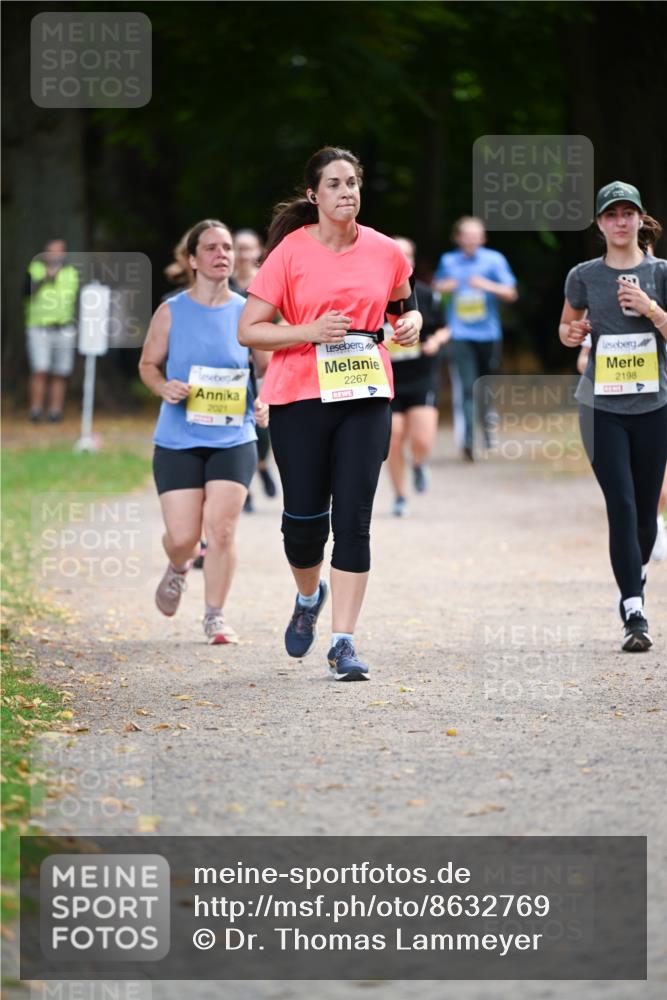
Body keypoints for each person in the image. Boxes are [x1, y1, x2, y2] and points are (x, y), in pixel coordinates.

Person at [238, 146, 421, 681]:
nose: (346, 193)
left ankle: (344, 642)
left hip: (366, 394)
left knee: (354, 521)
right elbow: (249, 329)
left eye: (353, 183)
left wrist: (409, 324)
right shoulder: (290, 253)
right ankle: (307, 596)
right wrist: (308, 331)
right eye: (335, 184)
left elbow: (403, 307)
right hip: (300, 396)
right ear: (314, 195)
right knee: (303, 524)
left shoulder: (387, 251)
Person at [139, 219, 269, 644]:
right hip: (178, 438)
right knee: (183, 538)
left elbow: (267, 371)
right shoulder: (171, 311)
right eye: (211, 248)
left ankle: (215, 615)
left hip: (234, 437)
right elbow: (148, 365)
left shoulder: (249, 311)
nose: (222, 255)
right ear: (192, 260)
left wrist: (266, 400)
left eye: (227, 247)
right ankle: (179, 565)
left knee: (222, 531)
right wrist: (163, 387)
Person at [559, 181, 667, 652]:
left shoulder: (661, 273)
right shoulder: (583, 275)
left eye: (628, 213)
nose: (620, 222)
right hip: (600, 406)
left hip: (654, 405)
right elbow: (566, 327)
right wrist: (571, 333)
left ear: (640, 219)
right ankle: (634, 609)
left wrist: (651, 309)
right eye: (611, 214)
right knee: (620, 505)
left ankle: (632, 574)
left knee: (645, 512)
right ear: (600, 223)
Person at [433, 217, 517, 460]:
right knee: (467, 387)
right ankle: (469, 442)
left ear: (482, 238)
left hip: (489, 334)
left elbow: (511, 293)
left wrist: (486, 285)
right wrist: (445, 287)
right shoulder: (448, 261)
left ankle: (487, 433)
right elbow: (436, 287)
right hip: (460, 333)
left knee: (485, 387)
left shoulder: (494, 260)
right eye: (467, 235)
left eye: (476, 235)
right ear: (458, 238)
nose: (471, 239)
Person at [386, 236, 450, 516]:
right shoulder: (372, 294)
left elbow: (445, 327)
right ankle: (400, 496)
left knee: (422, 440)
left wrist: (436, 341)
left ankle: (419, 463)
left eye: (407, 255)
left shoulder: (426, 294)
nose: (402, 260)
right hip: (387, 380)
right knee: (393, 438)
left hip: (422, 375)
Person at [231, 228, 278, 511]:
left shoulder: (267, 282)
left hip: (264, 364)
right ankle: (244, 490)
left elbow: (285, 321)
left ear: (258, 251)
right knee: (235, 426)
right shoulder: (223, 284)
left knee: (262, 426)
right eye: (238, 248)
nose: (243, 254)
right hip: (232, 368)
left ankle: (261, 464)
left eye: (249, 248)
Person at [25, 238, 79, 422]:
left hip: (64, 328)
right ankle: (36, 410)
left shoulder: (72, 273)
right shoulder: (35, 269)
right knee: (40, 369)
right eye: (52, 251)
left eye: (59, 251)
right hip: (39, 328)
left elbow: (78, 300)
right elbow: (26, 292)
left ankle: (56, 412)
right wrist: (47, 277)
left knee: (60, 372)